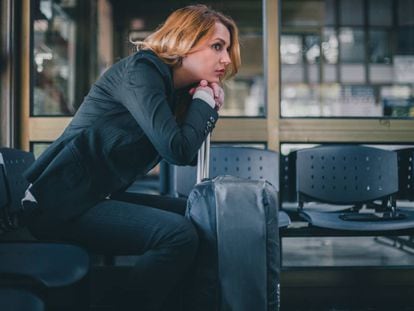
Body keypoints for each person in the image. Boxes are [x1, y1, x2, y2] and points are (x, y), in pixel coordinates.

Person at [21, 4, 241, 311]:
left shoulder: (174, 91)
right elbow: (176, 149)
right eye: (217, 46)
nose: (227, 59)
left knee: (195, 213)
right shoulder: (142, 70)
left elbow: (187, 152)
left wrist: (204, 107)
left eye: (227, 49)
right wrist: (204, 104)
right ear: (184, 41)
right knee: (178, 235)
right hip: (59, 201)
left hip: (95, 195)